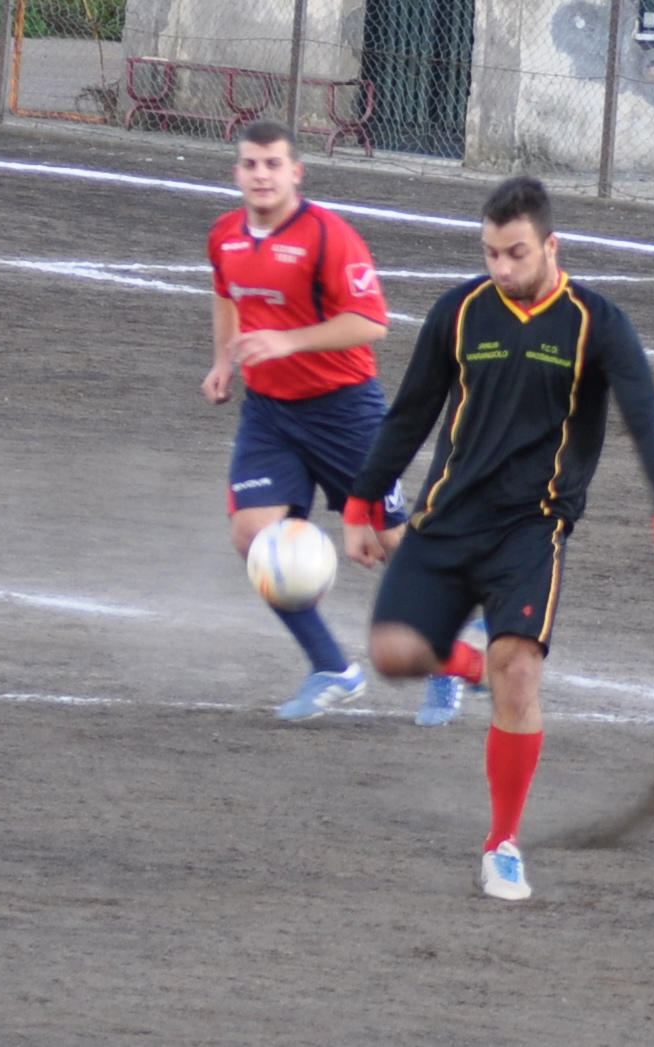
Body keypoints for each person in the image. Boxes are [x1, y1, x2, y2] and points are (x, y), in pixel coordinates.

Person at [343, 176, 654, 900]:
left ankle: (502, 844)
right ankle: (465, 665)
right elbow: (411, 412)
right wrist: (362, 500)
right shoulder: (459, 312)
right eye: (490, 253)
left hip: (530, 529)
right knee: (392, 654)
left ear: (552, 245)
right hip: (444, 521)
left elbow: (646, 418)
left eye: (515, 253)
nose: (501, 267)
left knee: (518, 672)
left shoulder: (597, 324)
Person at [201, 118, 460, 721]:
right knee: (253, 535)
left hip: (345, 411)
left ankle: (448, 657)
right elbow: (225, 292)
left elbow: (371, 322)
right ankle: (332, 668)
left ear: (296, 172)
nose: (261, 175)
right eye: (250, 164)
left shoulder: (328, 236)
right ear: (237, 172)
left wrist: (287, 341)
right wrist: (223, 361)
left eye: (273, 164)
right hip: (270, 414)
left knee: (393, 542)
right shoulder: (225, 235)